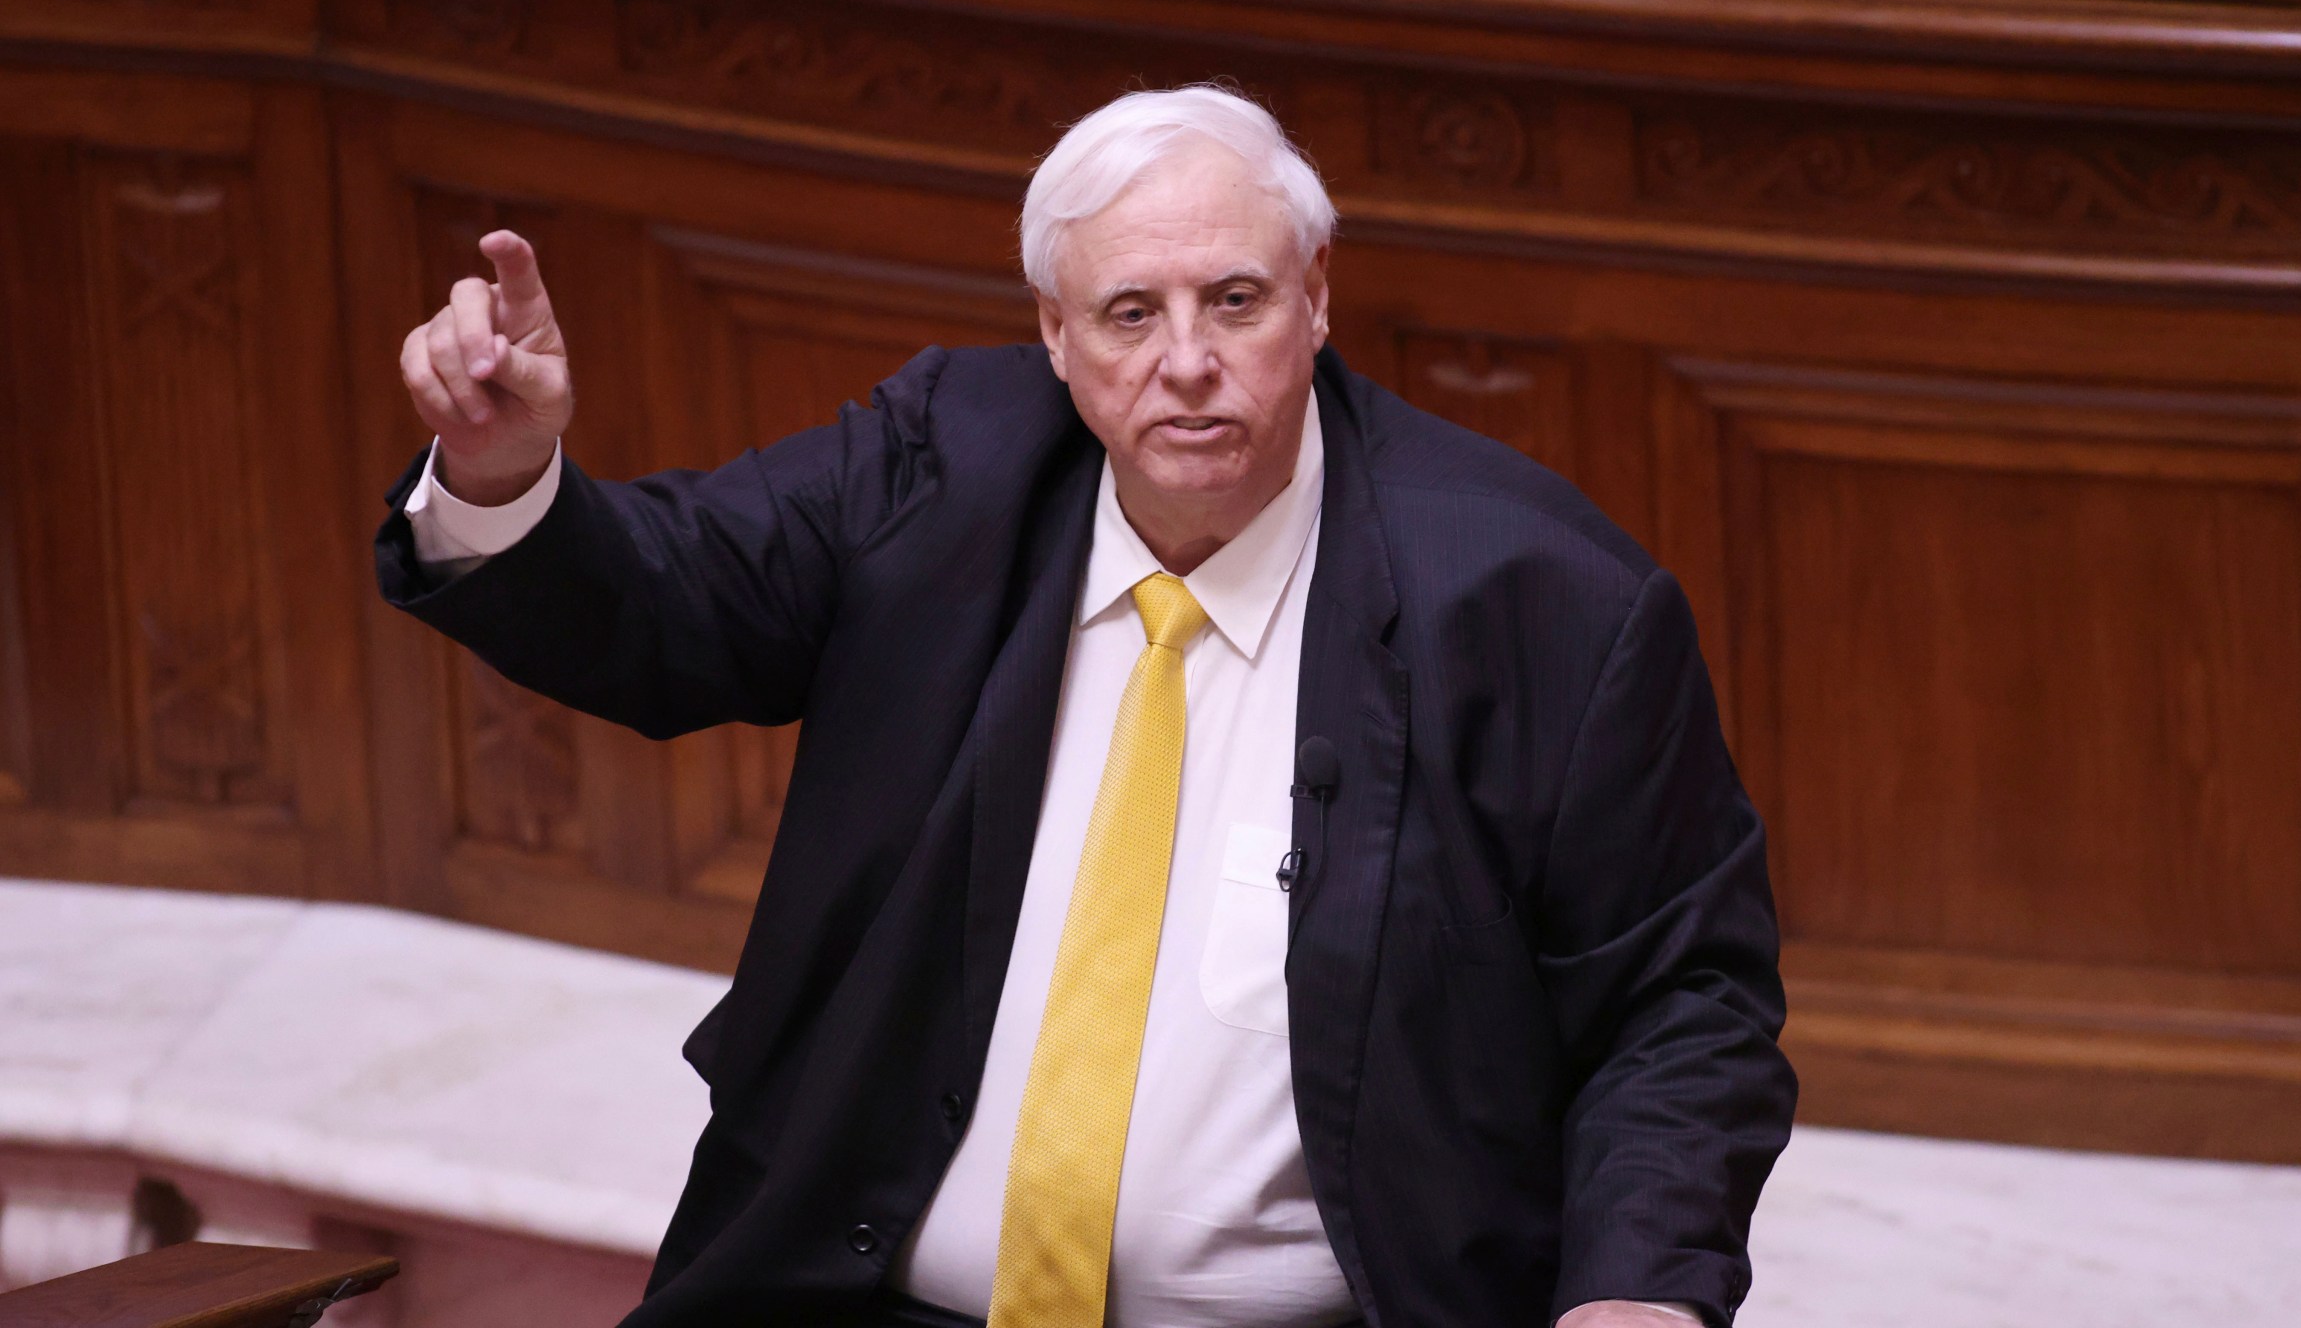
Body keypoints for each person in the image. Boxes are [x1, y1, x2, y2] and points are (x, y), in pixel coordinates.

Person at [379, 84, 1793, 1328]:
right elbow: (665, 608)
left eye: (1234, 301)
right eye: (1131, 313)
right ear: (1058, 338)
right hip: (857, 1295)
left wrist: (1639, 1289)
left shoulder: (1542, 601)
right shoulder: (942, 469)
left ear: (1316, 299)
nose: (1187, 361)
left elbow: (1682, 1001)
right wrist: (505, 477)